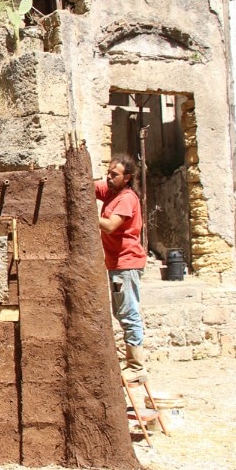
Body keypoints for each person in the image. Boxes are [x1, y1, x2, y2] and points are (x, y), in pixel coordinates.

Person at [95, 157, 148, 382]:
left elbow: (110, 225)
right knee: (121, 311)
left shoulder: (126, 198)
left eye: (114, 174)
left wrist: (85, 213)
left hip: (126, 264)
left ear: (127, 178)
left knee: (128, 312)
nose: (109, 177)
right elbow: (87, 185)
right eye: (108, 172)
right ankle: (133, 362)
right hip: (116, 264)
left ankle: (136, 367)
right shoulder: (111, 191)